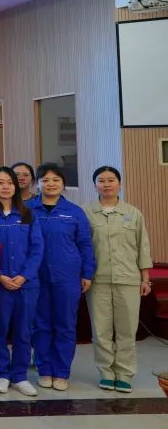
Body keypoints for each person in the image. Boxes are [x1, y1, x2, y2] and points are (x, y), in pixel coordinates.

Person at [84, 166, 153, 393]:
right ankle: (106, 372)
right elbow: (82, 247)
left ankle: (124, 373)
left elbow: (143, 246)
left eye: (111, 180)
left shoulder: (133, 213)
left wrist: (145, 278)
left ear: (119, 184)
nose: (106, 184)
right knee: (101, 330)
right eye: (101, 180)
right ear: (95, 185)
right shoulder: (86, 213)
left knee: (126, 330)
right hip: (98, 280)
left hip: (128, 279)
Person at [27, 163, 95, 392]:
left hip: (67, 276)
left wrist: (87, 273)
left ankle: (62, 372)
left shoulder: (75, 212)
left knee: (65, 325)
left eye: (56, 180)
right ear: (37, 184)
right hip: (36, 276)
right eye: (45, 180)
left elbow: (85, 244)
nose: (51, 184)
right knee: (41, 325)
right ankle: (44, 369)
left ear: (64, 184)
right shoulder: (27, 209)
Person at [0, 166, 44, 397]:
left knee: (23, 331)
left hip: (26, 284)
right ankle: (2, 373)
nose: (6, 187)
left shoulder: (28, 214)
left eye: (9, 182)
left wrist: (24, 275)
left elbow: (37, 248)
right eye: (0, 182)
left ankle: (19, 376)